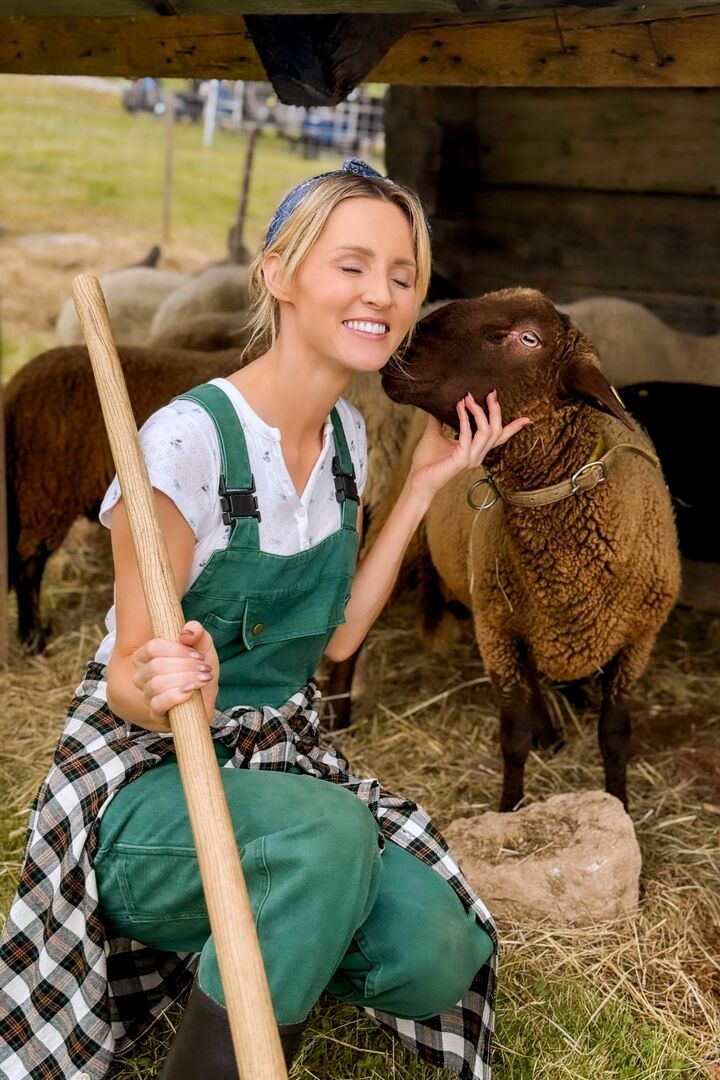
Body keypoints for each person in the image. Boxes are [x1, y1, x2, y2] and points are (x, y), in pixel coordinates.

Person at [0, 159, 531, 1080]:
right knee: (330, 834)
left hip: (274, 768)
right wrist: (167, 681)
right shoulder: (185, 444)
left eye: (403, 275)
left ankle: (273, 927)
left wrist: (422, 487)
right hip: (147, 787)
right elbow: (127, 681)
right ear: (278, 274)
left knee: (434, 952)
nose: (383, 294)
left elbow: (337, 639)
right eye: (351, 265)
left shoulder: (347, 442)